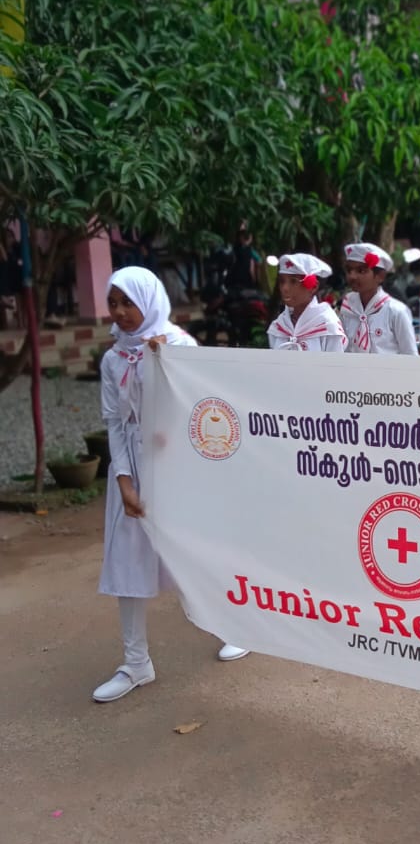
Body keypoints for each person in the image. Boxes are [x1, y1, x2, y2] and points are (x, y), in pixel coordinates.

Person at [94, 268, 245, 702]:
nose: (120, 312)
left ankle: (233, 627)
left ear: (150, 300)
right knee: (127, 563)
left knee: (192, 552)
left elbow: (200, 407)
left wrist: (165, 364)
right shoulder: (113, 358)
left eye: (129, 302)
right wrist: (124, 480)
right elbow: (115, 423)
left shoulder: (178, 345)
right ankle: (136, 662)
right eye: (114, 303)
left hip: (176, 464)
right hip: (133, 467)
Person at [340, 243, 417, 355]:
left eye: (361, 271)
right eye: (349, 270)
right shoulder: (348, 308)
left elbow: (410, 355)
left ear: (380, 276)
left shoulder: (396, 311)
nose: (352, 276)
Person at [267, 253, 346, 351]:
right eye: (282, 281)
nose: (285, 288)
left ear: (313, 287)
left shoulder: (328, 326)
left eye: (293, 281)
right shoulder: (278, 327)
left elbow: (335, 360)